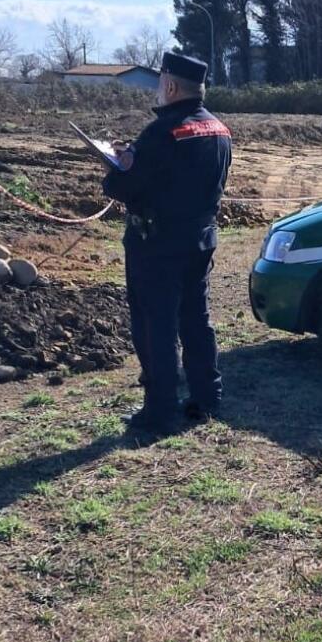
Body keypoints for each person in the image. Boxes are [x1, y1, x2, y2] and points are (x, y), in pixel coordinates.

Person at [101, 51, 232, 435]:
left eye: (160, 83)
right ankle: (208, 398)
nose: (159, 91)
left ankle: (159, 411)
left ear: (171, 86)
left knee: (154, 325)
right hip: (200, 239)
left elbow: (124, 186)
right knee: (196, 320)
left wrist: (118, 166)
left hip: (156, 246)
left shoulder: (161, 132)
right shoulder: (220, 130)